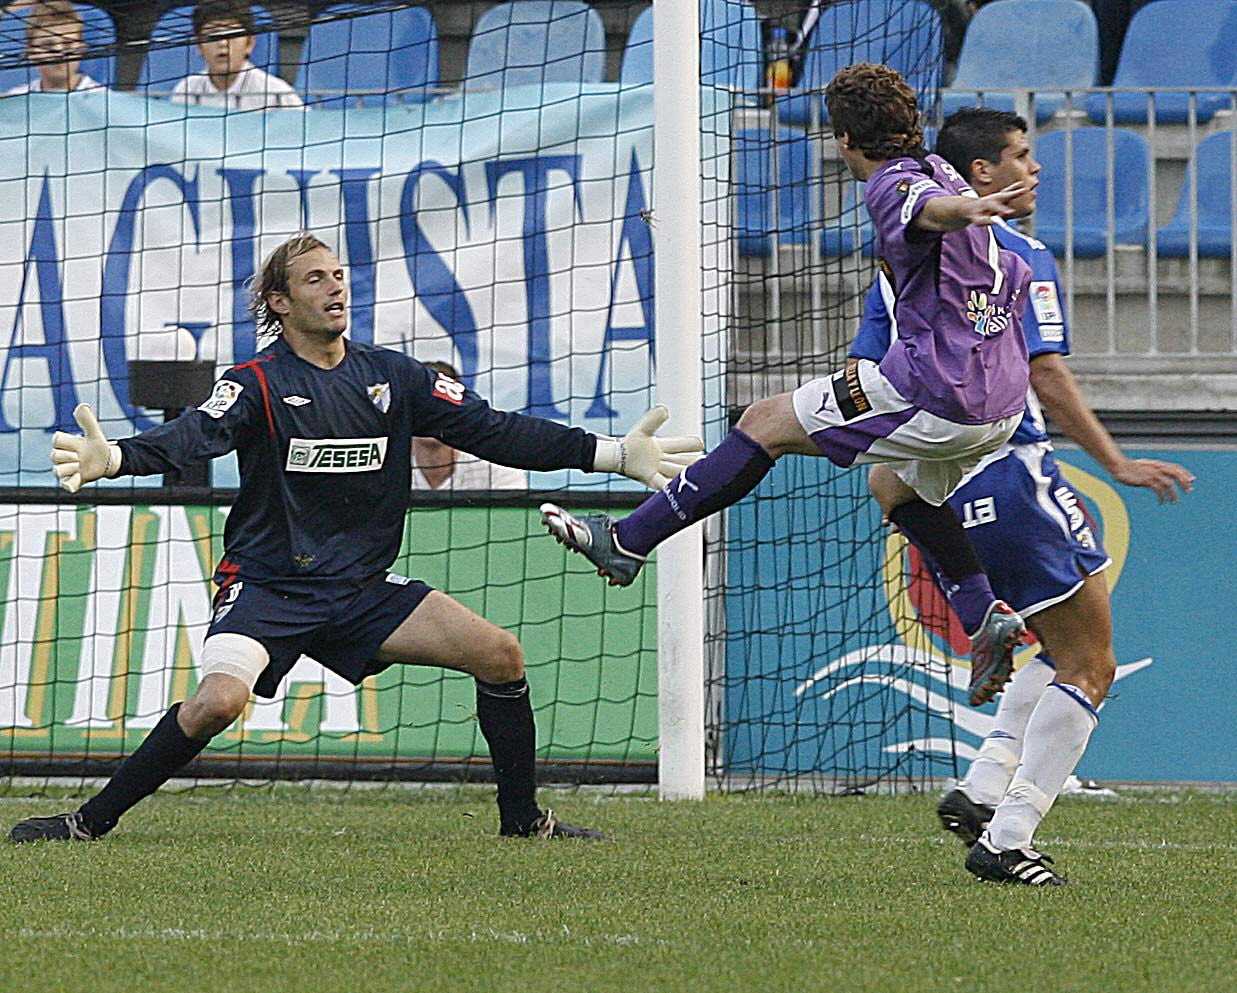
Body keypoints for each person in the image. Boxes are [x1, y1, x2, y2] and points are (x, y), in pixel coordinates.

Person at [9, 232, 700, 844]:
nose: (335, 286)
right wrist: (119, 458)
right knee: (219, 701)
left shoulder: (393, 376)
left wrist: (608, 453)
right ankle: (89, 821)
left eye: (338, 275)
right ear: (278, 303)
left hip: (359, 591)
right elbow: (195, 433)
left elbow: (497, 430)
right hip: (268, 585)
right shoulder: (255, 382)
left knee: (499, 654)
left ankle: (523, 821)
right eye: (315, 278)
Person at [542, 63, 1037, 708]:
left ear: (842, 141)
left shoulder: (894, 183)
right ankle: (983, 615)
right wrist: (968, 205)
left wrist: (965, 209)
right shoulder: (943, 166)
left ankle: (628, 541)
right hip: (998, 403)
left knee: (765, 423)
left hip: (935, 389)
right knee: (891, 483)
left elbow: (927, 213)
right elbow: (944, 212)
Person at [853, 108, 1195, 884]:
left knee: (1060, 640)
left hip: (943, 474)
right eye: (1019, 155)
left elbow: (873, 375)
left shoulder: (899, 258)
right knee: (1091, 660)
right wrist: (1115, 462)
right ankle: (1007, 834)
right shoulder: (1015, 251)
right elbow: (1042, 371)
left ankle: (982, 787)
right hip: (1012, 465)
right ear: (980, 175)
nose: (1032, 169)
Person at [411, 361, 528, 491]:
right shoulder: (386, 461)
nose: (430, 414)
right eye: (421, 405)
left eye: (438, 405)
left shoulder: (497, 466)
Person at [169, 1, 302, 111]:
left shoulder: (277, 94)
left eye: (232, 35)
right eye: (213, 35)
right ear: (199, 46)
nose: (222, 43)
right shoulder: (186, 91)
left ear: (249, 43)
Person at [5, 1, 107, 95]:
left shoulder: (103, 98)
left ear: (81, 48)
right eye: (47, 45)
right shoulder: (15, 99)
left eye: (68, 44)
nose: (59, 52)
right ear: (31, 53)